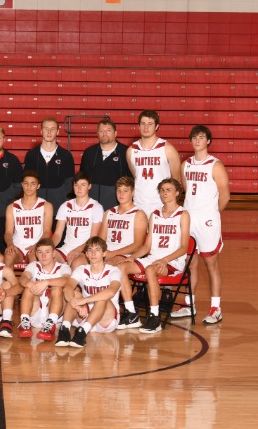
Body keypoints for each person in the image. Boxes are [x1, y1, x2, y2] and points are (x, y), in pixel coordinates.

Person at [117, 178, 190, 334]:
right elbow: (147, 246)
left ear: (177, 193)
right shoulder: (155, 215)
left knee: (150, 270)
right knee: (121, 267)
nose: (164, 193)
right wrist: (133, 257)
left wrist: (165, 260)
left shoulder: (183, 214)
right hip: (153, 259)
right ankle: (131, 313)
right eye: (162, 190)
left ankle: (155, 317)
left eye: (168, 190)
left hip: (172, 261)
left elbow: (184, 247)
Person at [172, 125, 230, 324]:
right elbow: (186, 190)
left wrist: (212, 214)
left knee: (211, 264)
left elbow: (225, 196)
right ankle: (189, 304)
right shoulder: (185, 164)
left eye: (201, 137)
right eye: (194, 137)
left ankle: (216, 308)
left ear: (208, 141)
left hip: (207, 220)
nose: (197, 141)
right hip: (189, 218)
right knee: (190, 264)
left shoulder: (215, 165)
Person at [54, 236, 122, 348]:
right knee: (74, 294)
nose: (93, 253)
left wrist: (85, 300)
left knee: (102, 297)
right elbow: (68, 287)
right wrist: (77, 306)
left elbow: (111, 292)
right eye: (90, 250)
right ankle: (64, 330)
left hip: (106, 319)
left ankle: (82, 333)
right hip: (84, 313)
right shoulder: (81, 269)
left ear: (104, 253)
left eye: (97, 250)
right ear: (86, 254)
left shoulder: (114, 271)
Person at [126, 110, 182, 217]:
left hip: (161, 203)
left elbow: (176, 179)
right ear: (139, 126)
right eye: (143, 124)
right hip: (138, 203)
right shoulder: (131, 151)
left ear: (156, 126)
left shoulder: (167, 149)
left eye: (150, 124)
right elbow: (136, 175)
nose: (146, 127)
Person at [23, 117, 75, 227]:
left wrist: (59, 195)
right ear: (41, 131)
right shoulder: (31, 155)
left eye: (52, 129)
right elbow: (26, 181)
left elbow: (70, 182)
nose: (49, 132)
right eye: (46, 129)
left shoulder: (66, 156)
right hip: (35, 207)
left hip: (58, 207)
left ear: (58, 131)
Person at [17, 238, 71, 341]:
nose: (43, 255)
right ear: (36, 254)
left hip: (55, 312)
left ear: (54, 253)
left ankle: (50, 324)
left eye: (47, 252)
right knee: (29, 288)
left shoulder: (63, 267)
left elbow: (67, 280)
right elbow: (23, 278)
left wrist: (47, 282)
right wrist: (29, 283)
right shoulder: (33, 265)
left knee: (57, 288)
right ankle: (25, 322)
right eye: (40, 252)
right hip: (35, 310)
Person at [51, 172, 104, 269]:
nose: (79, 188)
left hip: (86, 249)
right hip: (67, 247)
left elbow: (93, 237)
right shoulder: (65, 206)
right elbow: (57, 234)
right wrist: (48, 248)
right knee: (46, 259)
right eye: (76, 185)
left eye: (83, 185)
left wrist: (78, 250)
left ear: (89, 186)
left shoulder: (96, 207)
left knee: (74, 264)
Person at [3, 170, 54, 268]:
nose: (29, 186)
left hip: (36, 244)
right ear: (22, 185)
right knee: (9, 256)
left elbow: (47, 232)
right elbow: (8, 232)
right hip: (17, 245)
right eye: (26, 183)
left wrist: (37, 245)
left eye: (32, 184)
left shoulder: (46, 206)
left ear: (38, 186)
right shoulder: (12, 207)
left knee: (33, 259)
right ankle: (8, 279)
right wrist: (10, 244)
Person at [80, 117, 132, 210]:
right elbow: (82, 179)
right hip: (91, 208)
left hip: (117, 207)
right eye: (101, 131)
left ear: (115, 133)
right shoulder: (89, 153)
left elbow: (131, 180)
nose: (104, 134)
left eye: (108, 130)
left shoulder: (126, 152)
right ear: (97, 133)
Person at [98, 176, 148, 265]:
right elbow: (100, 240)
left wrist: (113, 254)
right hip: (107, 252)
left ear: (133, 192)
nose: (121, 194)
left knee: (107, 266)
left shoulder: (139, 214)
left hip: (125, 255)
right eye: (119, 190)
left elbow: (137, 245)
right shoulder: (109, 212)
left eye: (125, 191)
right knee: (79, 262)